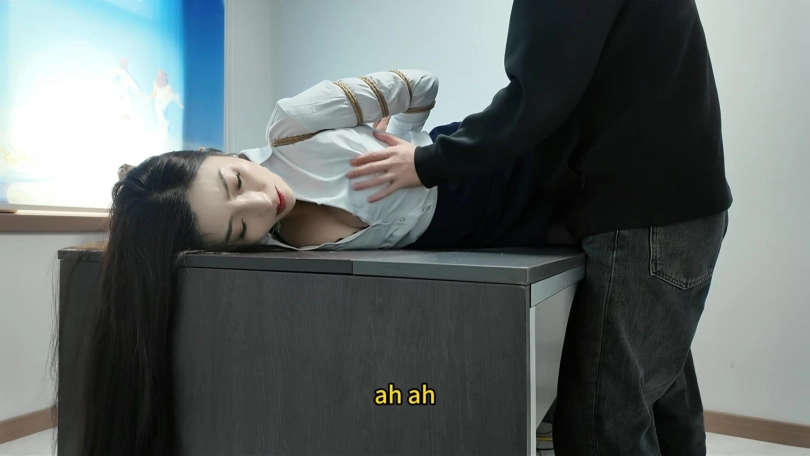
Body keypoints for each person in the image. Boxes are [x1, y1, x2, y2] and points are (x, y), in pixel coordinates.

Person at [80, 68, 558, 456]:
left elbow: (422, 84)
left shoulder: (295, 125)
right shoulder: (265, 253)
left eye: (237, 181)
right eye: (239, 228)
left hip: (489, 159)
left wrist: (410, 152)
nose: (262, 204)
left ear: (213, 153)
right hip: (501, 234)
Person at [347, 1, 732, 455]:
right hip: (677, 208)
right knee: (664, 402)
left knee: (601, 426)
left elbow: (538, 99)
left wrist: (429, 161)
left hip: (646, 219)